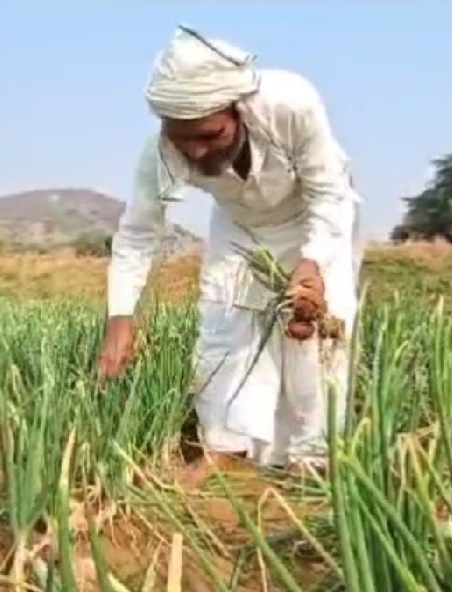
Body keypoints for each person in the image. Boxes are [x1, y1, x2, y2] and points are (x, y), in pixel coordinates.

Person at [97, 26, 363, 480]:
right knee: (224, 332)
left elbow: (328, 191)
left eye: (210, 135)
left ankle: (313, 458)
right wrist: (120, 316)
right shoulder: (160, 153)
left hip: (313, 218)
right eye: (182, 139)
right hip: (239, 229)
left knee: (312, 335)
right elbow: (138, 234)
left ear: (238, 111)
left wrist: (313, 262)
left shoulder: (291, 103)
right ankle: (224, 449)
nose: (196, 152)